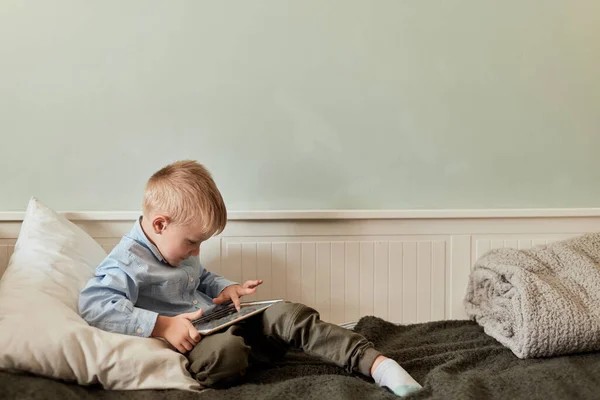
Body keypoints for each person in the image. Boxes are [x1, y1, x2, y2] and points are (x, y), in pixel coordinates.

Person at [79, 160, 422, 397]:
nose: (197, 252)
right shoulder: (125, 262)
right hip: (201, 341)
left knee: (289, 313)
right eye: (192, 242)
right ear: (159, 225)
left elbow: (201, 277)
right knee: (227, 354)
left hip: (223, 318)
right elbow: (94, 304)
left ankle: (376, 364)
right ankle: (267, 347)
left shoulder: (176, 249)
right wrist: (163, 326)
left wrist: (226, 288)